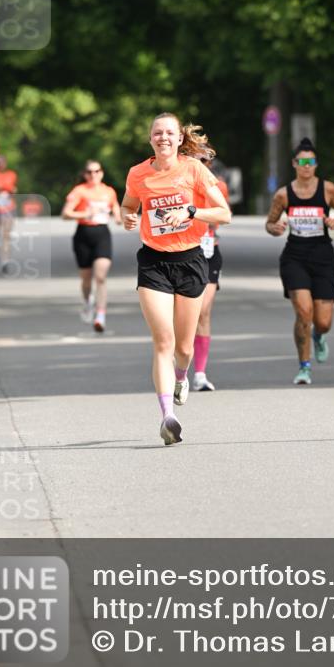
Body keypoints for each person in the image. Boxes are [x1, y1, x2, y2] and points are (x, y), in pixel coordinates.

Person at [121, 113, 231, 445]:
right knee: (163, 341)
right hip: (153, 261)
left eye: (170, 133)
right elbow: (128, 205)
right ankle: (168, 417)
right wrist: (127, 217)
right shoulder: (138, 173)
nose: (163, 138)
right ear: (150, 138)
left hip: (191, 260)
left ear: (179, 139)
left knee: (183, 348)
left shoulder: (194, 170)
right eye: (157, 133)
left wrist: (192, 212)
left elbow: (224, 213)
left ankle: (182, 377)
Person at [265, 138, 334, 385]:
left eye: (310, 162)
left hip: (323, 257)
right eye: (301, 161)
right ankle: (304, 366)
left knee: (323, 321)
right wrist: (276, 227)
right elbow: (269, 223)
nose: (306, 166)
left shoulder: (328, 189)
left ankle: (319, 336)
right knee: (304, 312)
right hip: (295, 257)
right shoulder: (283, 194)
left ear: (316, 164)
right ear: (294, 163)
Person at [61, 161, 121, 333]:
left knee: (100, 276)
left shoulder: (108, 191)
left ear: (101, 173)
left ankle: (100, 315)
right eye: (89, 172)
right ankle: (88, 301)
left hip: (102, 234)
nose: (93, 174)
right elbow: (66, 214)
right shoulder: (80, 191)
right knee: (86, 278)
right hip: (83, 234)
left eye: (97, 171)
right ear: (85, 174)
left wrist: (118, 217)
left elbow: (115, 208)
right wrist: (85, 214)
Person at [193, 157, 230, 392]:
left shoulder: (218, 186)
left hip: (208, 252)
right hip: (179, 253)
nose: (202, 164)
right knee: (183, 317)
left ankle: (199, 374)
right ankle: (178, 366)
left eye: (206, 160)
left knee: (203, 312)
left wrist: (199, 214)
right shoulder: (175, 182)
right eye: (197, 159)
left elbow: (224, 216)